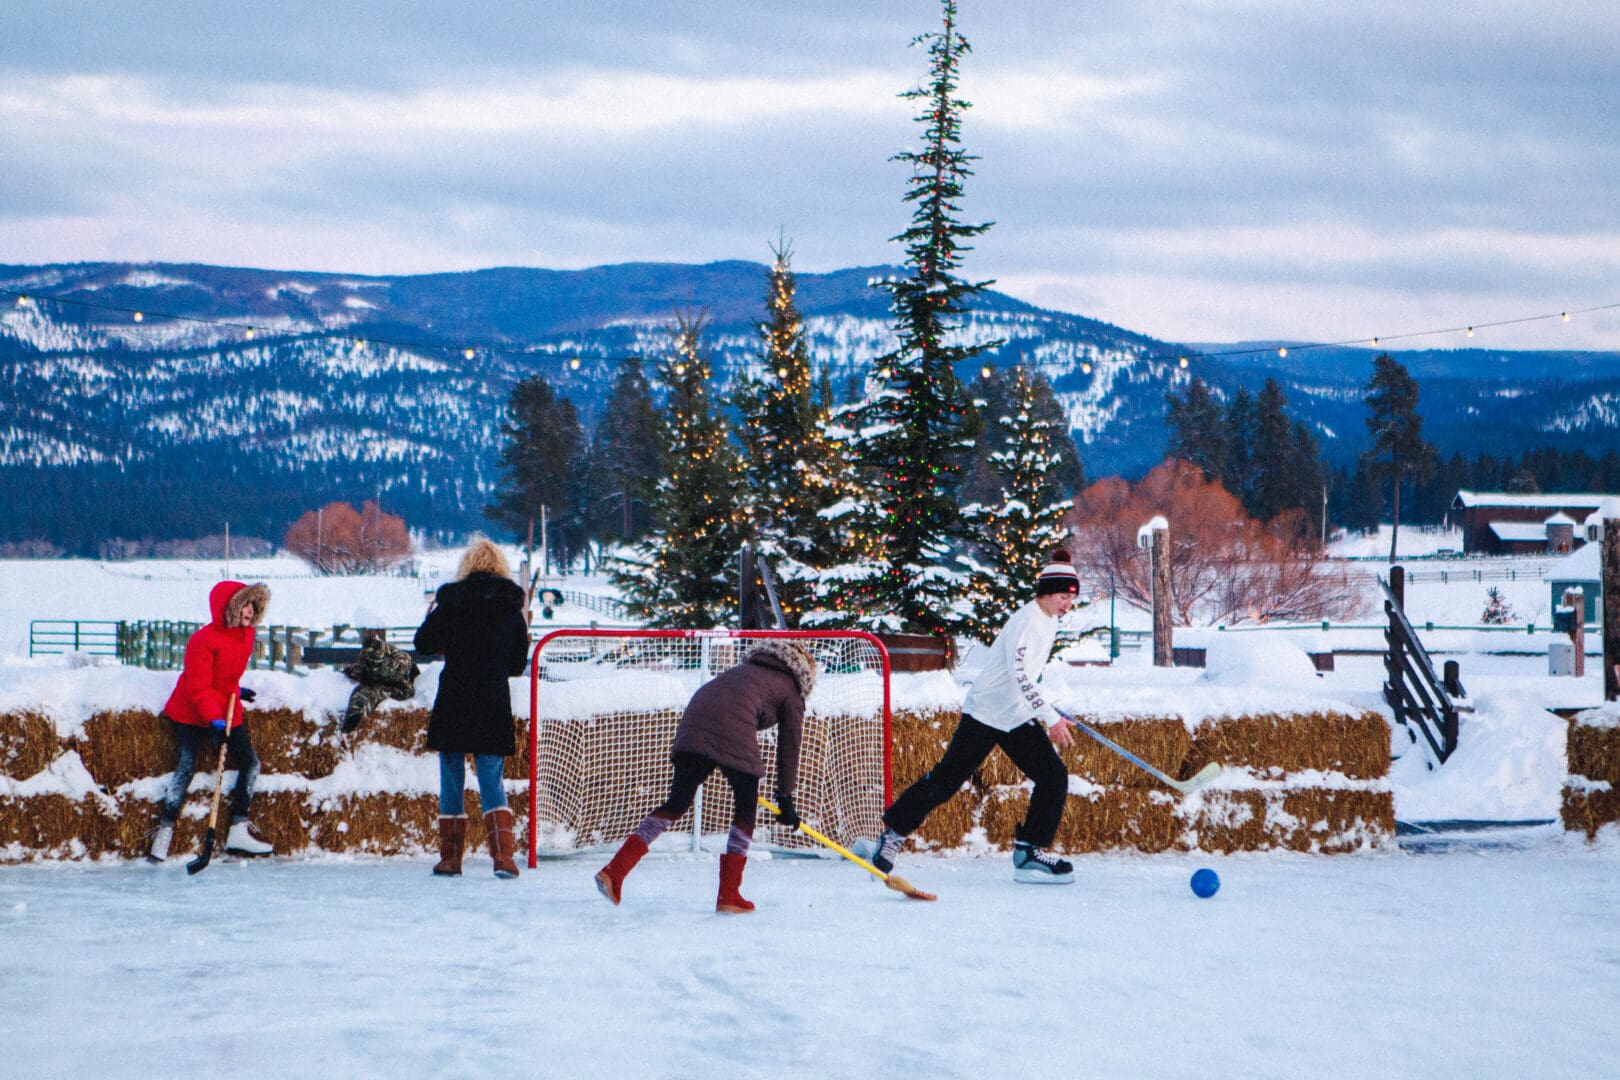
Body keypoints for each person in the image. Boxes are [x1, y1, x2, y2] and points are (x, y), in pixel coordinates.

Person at [864, 550, 1082, 884]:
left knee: (1053, 776)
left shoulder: (1050, 621)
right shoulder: (1028, 620)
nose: (1068, 604)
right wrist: (1049, 717)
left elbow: (1026, 679)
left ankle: (1028, 851)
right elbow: (1019, 674)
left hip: (1014, 716)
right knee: (945, 782)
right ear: (1047, 592)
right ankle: (893, 833)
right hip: (984, 713)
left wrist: (1046, 711)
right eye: (1064, 596)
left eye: (1072, 598)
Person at [594, 638, 817, 914]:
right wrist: (785, 798)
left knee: (676, 803)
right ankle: (729, 894)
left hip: (695, 719)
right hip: (732, 725)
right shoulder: (791, 689)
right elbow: (789, 746)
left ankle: (614, 872)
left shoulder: (747, 670)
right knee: (746, 809)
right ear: (805, 674)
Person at [414, 537, 531, 879]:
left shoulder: (451, 601)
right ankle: (503, 858)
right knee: (492, 780)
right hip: (491, 700)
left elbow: (423, 644)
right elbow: (516, 664)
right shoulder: (510, 607)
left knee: (451, 779)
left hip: (455, 697)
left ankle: (450, 859)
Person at [147, 580, 273, 862]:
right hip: (191, 711)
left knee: (251, 762)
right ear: (228, 607)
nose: (250, 611)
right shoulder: (202, 640)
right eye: (244, 604)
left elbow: (224, 675)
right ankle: (165, 831)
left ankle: (239, 828)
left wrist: (235, 690)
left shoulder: (247, 636)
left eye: (253, 604)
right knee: (187, 765)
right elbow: (198, 687)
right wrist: (214, 721)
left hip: (225, 705)